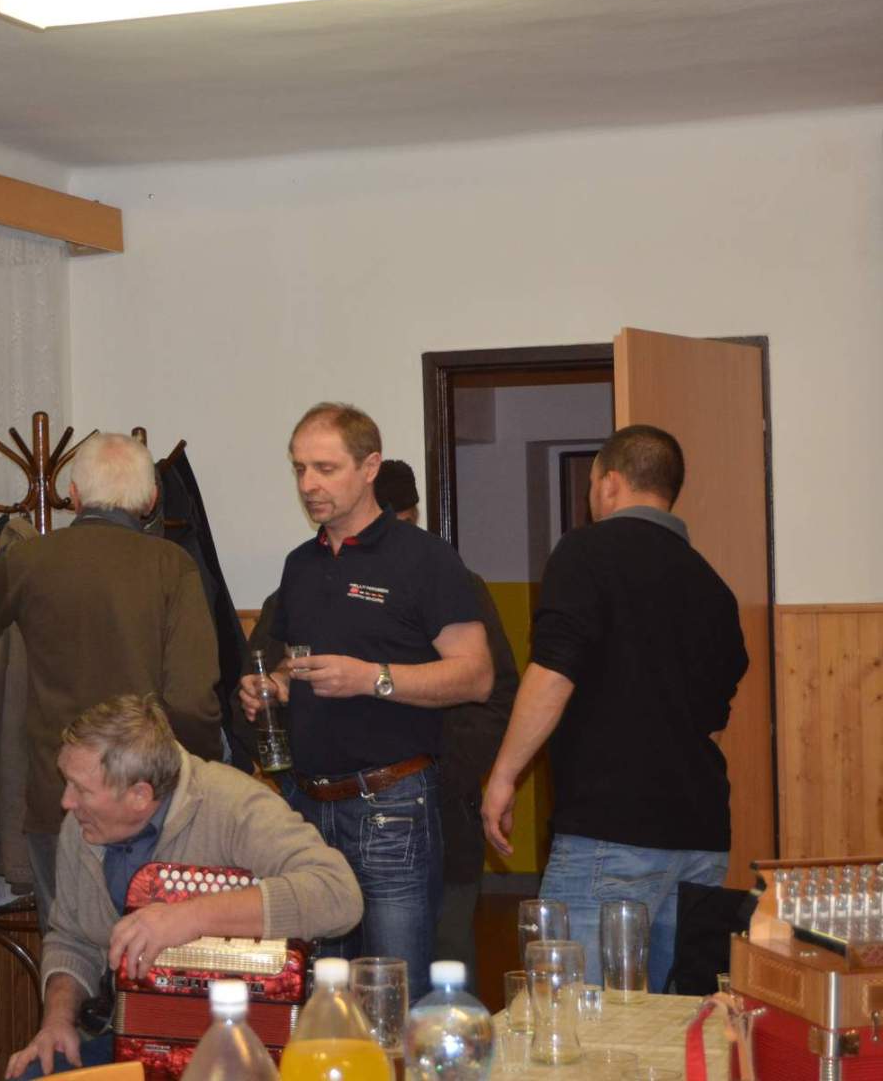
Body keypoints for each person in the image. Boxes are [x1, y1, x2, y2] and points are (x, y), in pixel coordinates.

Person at [238, 403, 491, 1000]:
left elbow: (476, 676)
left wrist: (371, 678)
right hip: (307, 806)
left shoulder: (424, 558)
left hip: (392, 807)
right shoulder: (300, 565)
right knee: (322, 999)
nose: (308, 484)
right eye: (299, 468)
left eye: (325, 469)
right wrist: (275, 686)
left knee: (392, 996)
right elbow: (295, 662)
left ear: (370, 466)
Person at [482, 425, 747, 992]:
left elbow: (553, 674)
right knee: (677, 1018)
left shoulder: (586, 552)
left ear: (608, 482)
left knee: (573, 1014)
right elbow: (713, 720)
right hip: (702, 838)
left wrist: (504, 776)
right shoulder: (714, 587)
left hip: (611, 833)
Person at [5, 695, 363, 1078]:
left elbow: (338, 894)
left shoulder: (234, 804)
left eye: (81, 789)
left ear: (140, 796)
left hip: (247, 1051)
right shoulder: (82, 828)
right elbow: (71, 938)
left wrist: (190, 918)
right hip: (134, 1037)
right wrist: (57, 1022)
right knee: (34, 1074)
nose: (66, 802)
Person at [0, 432, 223, 928]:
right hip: (147, 799)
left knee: (68, 952)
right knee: (149, 954)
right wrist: (195, 777)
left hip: (61, 797)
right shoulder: (172, 567)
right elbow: (192, 700)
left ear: (74, 496)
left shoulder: (30, 560)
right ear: (150, 499)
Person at [372, 458, 519, 983]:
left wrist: (446, 774)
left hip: (444, 816)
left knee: (447, 966)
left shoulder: (458, 585)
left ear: (414, 518)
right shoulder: (323, 582)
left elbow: (499, 691)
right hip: (351, 822)